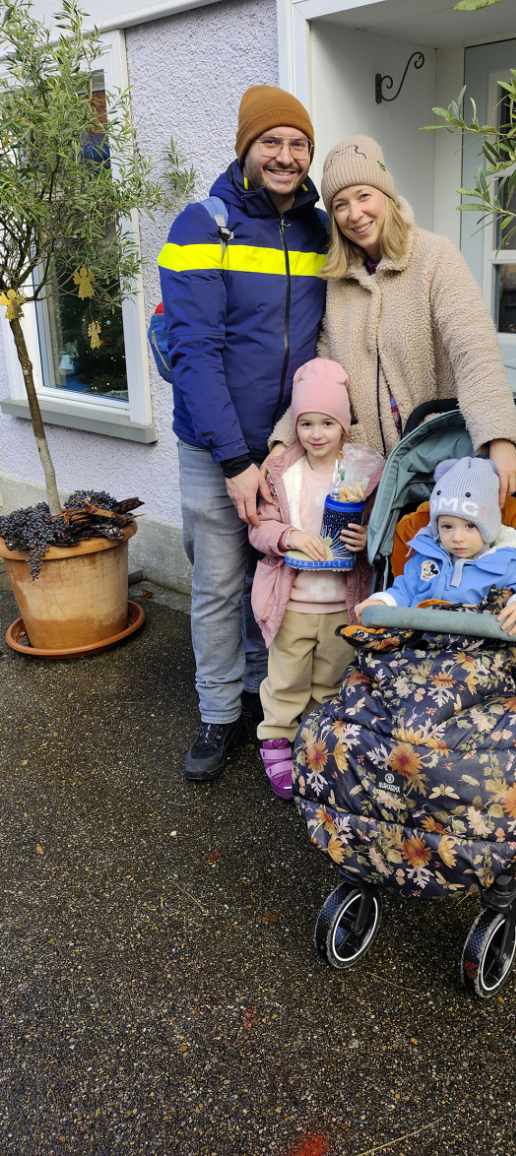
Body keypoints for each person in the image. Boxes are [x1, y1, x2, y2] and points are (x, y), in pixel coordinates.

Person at [158, 85, 328, 782]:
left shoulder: (320, 229)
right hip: (215, 446)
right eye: (271, 142)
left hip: (294, 445)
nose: (286, 156)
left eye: (298, 144)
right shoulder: (202, 224)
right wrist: (234, 461)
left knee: (286, 574)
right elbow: (193, 351)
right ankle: (219, 712)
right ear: (246, 149)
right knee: (222, 582)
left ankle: (272, 705)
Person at [265, 136, 516, 505]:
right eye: (340, 205)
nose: (354, 214)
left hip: (440, 464)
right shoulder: (338, 284)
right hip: (370, 478)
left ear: (386, 195)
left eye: (364, 196)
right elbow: (321, 378)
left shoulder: (436, 257)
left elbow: (474, 351)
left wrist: (498, 437)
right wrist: (283, 442)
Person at [249, 359, 382, 800]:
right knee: (286, 678)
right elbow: (259, 526)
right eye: (306, 423)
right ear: (295, 426)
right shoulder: (282, 471)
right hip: (293, 602)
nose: (316, 433)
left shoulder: (364, 473)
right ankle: (275, 740)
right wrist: (289, 536)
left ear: (344, 426)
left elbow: (384, 527)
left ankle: (315, 740)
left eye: (327, 422)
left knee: (330, 679)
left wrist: (367, 538)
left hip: (343, 602)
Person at [355, 456, 516, 633]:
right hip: (418, 642)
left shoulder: (510, 562)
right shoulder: (425, 557)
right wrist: (381, 602)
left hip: (476, 652)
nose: (457, 537)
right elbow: (405, 591)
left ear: (490, 526)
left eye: (470, 526)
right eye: (447, 526)